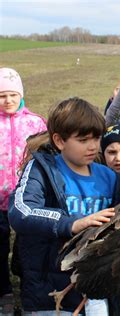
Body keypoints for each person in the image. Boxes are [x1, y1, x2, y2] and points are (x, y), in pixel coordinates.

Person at [8, 97, 120, 315]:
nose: (93, 146)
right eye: (83, 140)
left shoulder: (111, 178)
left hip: (96, 291)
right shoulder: (42, 169)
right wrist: (71, 224)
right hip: (50, 293)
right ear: (60, 141)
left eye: (97, 138)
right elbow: (21, 211)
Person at [0, 67, 47, 314]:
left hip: (26, 199)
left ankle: (27, 281)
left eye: (12, 95)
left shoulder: (35, 123)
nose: (8, 100)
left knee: (26, 248)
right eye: (1, 96)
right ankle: (4, 290)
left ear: (21, 95)